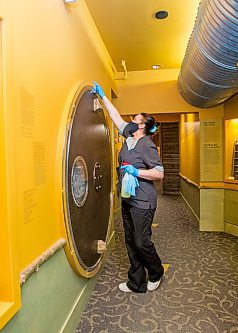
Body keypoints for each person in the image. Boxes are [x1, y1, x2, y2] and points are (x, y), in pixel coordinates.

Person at [92, 82, 165, 293]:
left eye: (135, 119)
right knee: (130, 241)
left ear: (142, 126)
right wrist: (103, 96)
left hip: (143, 200)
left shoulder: (147, 145)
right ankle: (136, 282)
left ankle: (156, 271)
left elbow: (159, 173)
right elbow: (115, 117)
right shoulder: (128, 138)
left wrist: (137, 172)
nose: (131, 121)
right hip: (128, 198)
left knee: (142, 242)